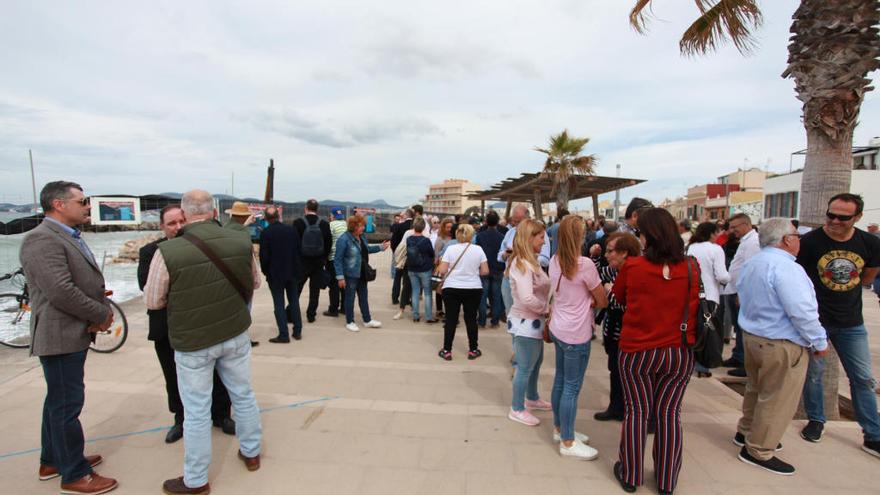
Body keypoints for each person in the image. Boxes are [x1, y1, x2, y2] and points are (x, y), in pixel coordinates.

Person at [145, 190, 263, 494]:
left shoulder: (168, 251)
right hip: (234, 332)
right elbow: (256, 282)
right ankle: (251, 452)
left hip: (193, 340)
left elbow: (153, 300)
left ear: (184, 215)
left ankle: (196, 479)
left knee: (196, 410)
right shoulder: (240, 241)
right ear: (214, 212)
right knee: (243, 394)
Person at [20, 181, 118, 494]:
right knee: (66, 405)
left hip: (71, 331)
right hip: (59, 334)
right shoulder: (41, 239)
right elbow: (61, 291)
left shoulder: (64, 235)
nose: (88, 205)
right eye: (82, 201)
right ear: (59, 204)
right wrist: (100, 314)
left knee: (58, 401)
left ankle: (53, 459)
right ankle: (74, 473)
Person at [611, 208, 699, 495]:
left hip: (637, 349)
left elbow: (619, 297)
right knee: (669, 413)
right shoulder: (690, 266)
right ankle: (666, 481)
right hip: (678, 351)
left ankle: (631, 473)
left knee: (637, 411)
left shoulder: (633, 266)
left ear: (648, 235)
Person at [734, 218, 829, 475]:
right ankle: (759, 449)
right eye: (797, 235)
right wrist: (819, 341)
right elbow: (801, 310)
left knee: (756, 389)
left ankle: (746, 432)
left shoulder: (754, 262)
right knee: (776, 398)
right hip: (780, 342)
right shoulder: (786, 268)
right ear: (787, 239)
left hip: (754, 337)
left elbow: (740, 295)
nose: (800, 239)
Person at [138, 204, 235, 443]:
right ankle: (180, 418)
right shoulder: (151, 251)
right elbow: (146, 287)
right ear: (162, 227)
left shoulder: (201, 248)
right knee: (173, 375)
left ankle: (221, 414)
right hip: (167, 327)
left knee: (217, 371)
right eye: (171, 223)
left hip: (203, 323)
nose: (178, 227)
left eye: (181, 221)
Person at [797, 193, 880, 457]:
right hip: (816, 323)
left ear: (857, 218)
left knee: (863, 379)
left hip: (851, 323)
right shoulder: (809, 243)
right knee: (814, 376)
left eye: (842, 217)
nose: (834, 220)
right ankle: (816, 420)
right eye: (830, 214)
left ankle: (873, 434)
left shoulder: (869, 243)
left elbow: (867, 275)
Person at [548, 216, 607, 460]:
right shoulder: (584, 264)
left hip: (559, 327)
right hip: (576, 331)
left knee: (561, 381)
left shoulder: (554, 259)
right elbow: (602, 299)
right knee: (571, 387)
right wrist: (593, 299)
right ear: (581, 236)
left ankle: (561, 428)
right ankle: (568, 442)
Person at [506, 219, 552, 426]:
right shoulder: (523, 263)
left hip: (532, 320)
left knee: (535, 363)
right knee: (524, 367)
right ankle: (517, 408)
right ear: (530, 237)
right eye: (541, 237)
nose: (545, 241)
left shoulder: (529, 260)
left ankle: (531, 397)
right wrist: (547, 309)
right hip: (527, 321)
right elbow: (527, 297)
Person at [593, 232, 642, 422]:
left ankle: (632, 410)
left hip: (630, 332)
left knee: (629, 373)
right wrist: (595, 256)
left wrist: (609, 291)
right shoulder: (614, 270)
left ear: (624, 253)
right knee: (614, 368)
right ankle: (616, 407)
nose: (607, 255)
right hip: (613, 330)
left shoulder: (636, 272)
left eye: (610, 251)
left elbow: (626, 303)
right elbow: (596, 274)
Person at [437, 224, 489, 360]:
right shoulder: (478, 250)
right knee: (471, 319)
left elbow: (442, 270)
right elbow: (485, 271)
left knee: (451, 319)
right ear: (472, 235)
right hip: (473, 288)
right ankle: (473, 349)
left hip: (451, 287)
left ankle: (447, 350)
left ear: (457, 234)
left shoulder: (450, 248)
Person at [687, 221, 731, 378]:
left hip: (691, 294)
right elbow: (722, 275)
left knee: (695, 329)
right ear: (712, 233)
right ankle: (704, 365)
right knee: (708, 331)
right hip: (710, 295)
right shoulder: (715, 249)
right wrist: (732, 278)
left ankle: (692, 362)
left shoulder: (691, 247)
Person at [334, 215, 390, 332]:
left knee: (363, 297)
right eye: (361, 226)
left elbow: (367, 249)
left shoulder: (361, 237)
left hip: (362, 273)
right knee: (350, 298)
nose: (363, 228)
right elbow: (337, 260)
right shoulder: (344, 239)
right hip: (350, 275)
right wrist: (340, 277)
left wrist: (380, 247)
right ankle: (350, 321)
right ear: (354, 226)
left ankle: (367, 320)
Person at [721, 213, 761, 377]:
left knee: (744, 329)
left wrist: (742, 293)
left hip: (740, 292)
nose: (732, 231)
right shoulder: (745, 241)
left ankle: (746, 362)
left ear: (746, 225)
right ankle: (738, 356)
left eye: (735, 227)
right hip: (734, 289)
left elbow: (750, 269)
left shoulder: (753, 243)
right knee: (738, 328)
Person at [260, 206, 304, 342]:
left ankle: (284, 334)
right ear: (279, 215)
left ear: (266, 218)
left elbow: (264, 257)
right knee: (294, 302)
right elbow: (299, 251)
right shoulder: (291, 230)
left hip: (275, 274)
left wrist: (266, 272)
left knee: (278, 304)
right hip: (292, 272)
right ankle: (297, 331)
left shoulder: (266, 233)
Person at [498, 205, 550, 316]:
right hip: (509, 278)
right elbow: (499, 255)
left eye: (518, 221)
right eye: (514, 221)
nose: (515, 224)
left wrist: (527, 259)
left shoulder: (539, 233)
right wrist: (505, 255)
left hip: (531, 279)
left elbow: (545, 259)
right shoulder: (510, 232)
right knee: (512, 314)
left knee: (528, 314)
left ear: (528, 219)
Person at [223, 201, 260, 347]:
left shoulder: (224, 229)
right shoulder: (244, 233)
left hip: (227, 278)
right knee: (245, 311)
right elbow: (249, 258)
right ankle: (243, 339)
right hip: (243, 278)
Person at [293, 199, 332, 324]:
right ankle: (311, 315)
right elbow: (328, 244)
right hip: (318, 262)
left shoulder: (298, 222)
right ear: (317, 209)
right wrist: (323, 258)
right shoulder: (324, 224)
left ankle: (292, 313)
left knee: (296, 289)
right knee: (314, 291)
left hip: (302, 262)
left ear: (306, 208)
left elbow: (293, 243)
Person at [476, 210, 505, 328]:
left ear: (486, 222)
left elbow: (478, 252)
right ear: (497, 222)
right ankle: (495, 321)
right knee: (496, 296)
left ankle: (482, 321)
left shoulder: (480, 236)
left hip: (484, 268)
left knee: (483, 296)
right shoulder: (502, 236)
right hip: (498, 268)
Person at [406, 217, 436, 323]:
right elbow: (431, 253)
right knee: (427, 293)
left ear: (414, 226)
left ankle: (415, 316)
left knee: (415, 292)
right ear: (423, 227)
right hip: (425, 269)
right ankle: (428, 317)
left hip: (412, 268)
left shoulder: (409, 239)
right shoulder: (426, 240)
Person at [323, 207, 348, 317]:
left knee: (334, 285)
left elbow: (326, 241)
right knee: (343, 284)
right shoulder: (346, 224)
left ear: (332, 216)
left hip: (333, 258)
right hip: (346, 259)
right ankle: (344, 308)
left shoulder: (330, 225)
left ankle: (333, 309)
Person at [434, 217, 456, 319]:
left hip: (452, 268)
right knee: (439, 289)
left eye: (451, 227)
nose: (449, 229)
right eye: (447, 227)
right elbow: (437, 255)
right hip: (442, 267)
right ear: (443, 227)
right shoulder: (440, 239)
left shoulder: (454, 238)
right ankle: (439, 309)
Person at [390, 209, 413, 305]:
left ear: (405, 215)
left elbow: (393, 241)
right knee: (408, 280)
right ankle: (407, 299)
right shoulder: (414, 226)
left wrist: (396, 252)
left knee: (397, 277)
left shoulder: (399, 226)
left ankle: (395, 298)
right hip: (411, 256)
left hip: (400, 255)